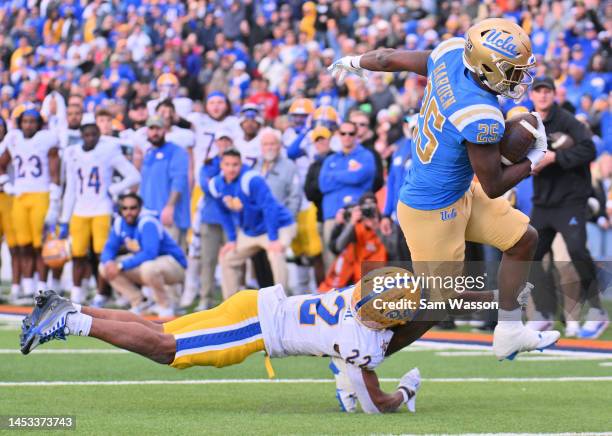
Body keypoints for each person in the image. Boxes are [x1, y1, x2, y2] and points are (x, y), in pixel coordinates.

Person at [328, 18, 560, 360]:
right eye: (510, 70)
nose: (517, 78)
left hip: (454, 191)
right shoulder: (479, 115)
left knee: (524, 239)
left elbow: (386, 59)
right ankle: (359, 360)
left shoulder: (452, 52)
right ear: (485, 66)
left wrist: (354, 61)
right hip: (431, 211)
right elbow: (494, 185)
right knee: (437, 305)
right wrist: (535, 158)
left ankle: (509, 331)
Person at [21, 267, 509, 413]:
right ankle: (70, 323)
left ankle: (74, 308)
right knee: (168, 351)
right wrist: (406, 391)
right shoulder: (367, 334)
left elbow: (427, 300)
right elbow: (376, 401)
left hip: (253, 304)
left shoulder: (362, 299)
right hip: (257, 327)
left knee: (161, 329)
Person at [528, 76, 609, 339]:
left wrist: (555, 158)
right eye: (538, 91)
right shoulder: (527, 124)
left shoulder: (566, 121)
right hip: (542, 202)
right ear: (531, 95)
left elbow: (589, 150)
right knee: (527, 256)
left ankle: (597, 312)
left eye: (546, 91)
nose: (542, 95)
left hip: (570, 201)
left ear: (554, 94)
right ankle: (543, 314)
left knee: (576, 251)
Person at [59, 118, 140, 305]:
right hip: (79, 209)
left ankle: (102, 293)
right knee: (77, 254)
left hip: (101, 209)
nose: (90, 138)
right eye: (86, 135)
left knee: (101, 254)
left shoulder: (108, 151)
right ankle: (77, 293)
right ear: (81, 136)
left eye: (94, 134)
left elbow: (134, 175)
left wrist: (114, 189)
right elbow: (70, 187)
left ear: (99, 135)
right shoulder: (72, 153)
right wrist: (65, 218)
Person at [212, 149, 296, 298]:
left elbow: (269, 208)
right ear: (221, 165)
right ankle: (229, 306)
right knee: (227, 257)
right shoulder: (216, 184)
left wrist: (273, 238)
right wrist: (231, 239)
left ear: (241, 164)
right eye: (227, 164)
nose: (231, 168)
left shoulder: (251, 179)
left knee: (276, 253)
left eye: (235, 164)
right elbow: (223, 212)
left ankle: (283, 302)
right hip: (250, 231)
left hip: (279, 225)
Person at [0, 108, 60, 298]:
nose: (28, 125)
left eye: (32, 121)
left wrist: (54, 198)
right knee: (23, 244)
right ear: (20, 123)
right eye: (25, 121)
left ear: (39, 124)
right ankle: (27, 286)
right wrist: (6, 184)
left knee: (39, 245)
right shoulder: (14, 139)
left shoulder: (46, 139)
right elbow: (1, 163)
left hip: (40, 194)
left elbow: (54, 171)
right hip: (19, 195)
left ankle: (42, 286)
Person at [98, 193, 187, 317]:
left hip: (173, 264)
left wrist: (120, 266)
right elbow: (108, 249)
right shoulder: (119, 223)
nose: (129, 212)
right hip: (150, 263)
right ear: (120, 209)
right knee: (104, 267)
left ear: (140, 208)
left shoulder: (147, 222)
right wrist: (109, 263)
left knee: (148, 268)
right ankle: (140, 302)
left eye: (133, 208)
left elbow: (150, 253)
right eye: (125, 208)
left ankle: (165, 306)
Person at [319, 121, 375, 270]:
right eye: (343, 133)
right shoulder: (330, 159)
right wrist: (348, 176)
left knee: (359, 261)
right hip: (332, 216)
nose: (347, 137)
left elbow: (360, 176)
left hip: (356, 216)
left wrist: (334, 176)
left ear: (357, 135)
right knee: (331, 263)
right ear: (338, 135)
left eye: (351, 133)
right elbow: (323, 184)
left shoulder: (366, 155)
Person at [139, 115, 190, 246]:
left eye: (158, 129)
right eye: (152, 129)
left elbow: (179, 181)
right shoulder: (149, 153)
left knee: (172, 260)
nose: (155, 133)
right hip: (150, 215)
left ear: (165, 130)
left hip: (170, 216)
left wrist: (170, 206)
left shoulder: (176, 151)